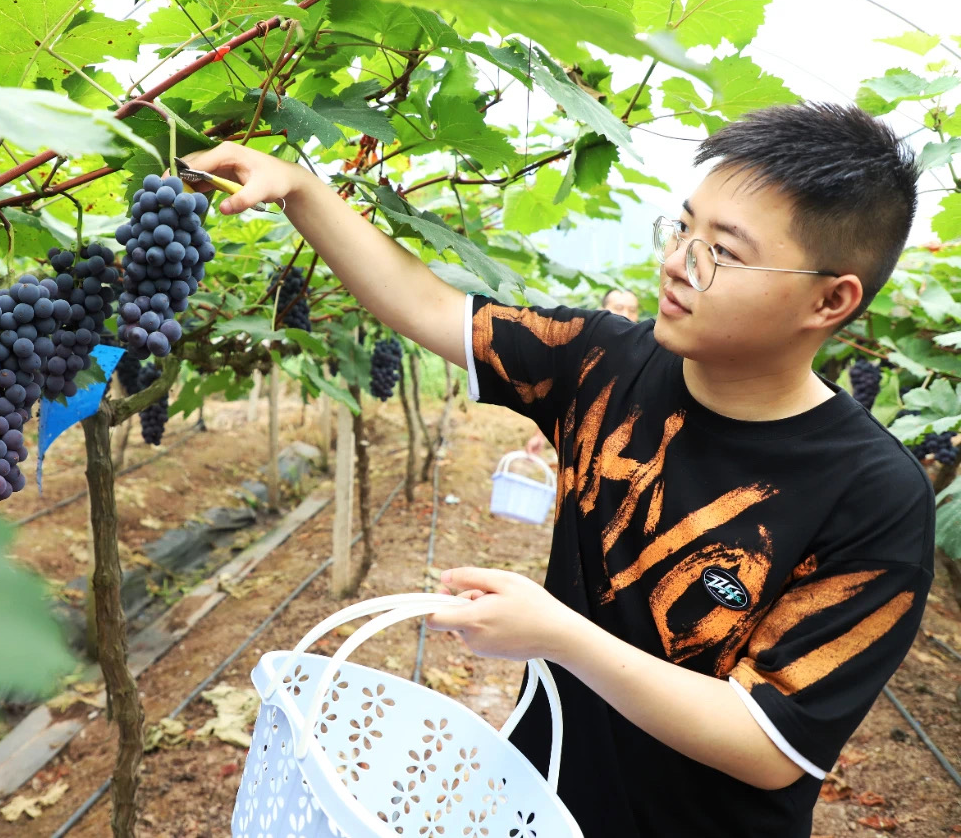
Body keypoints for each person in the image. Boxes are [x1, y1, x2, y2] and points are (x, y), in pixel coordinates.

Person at [184, 101, 932, 838]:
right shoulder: (604, 359)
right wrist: (302, 189)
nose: (676, 262)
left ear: (830, 299)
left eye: (722, 252)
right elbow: (426, 304)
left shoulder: (875, 495)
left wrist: (559, 633)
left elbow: (770, 742)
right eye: (683, 227)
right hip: (536, 802)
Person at [527, 287, 639, 455]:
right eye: (618, 307)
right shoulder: (584, 350)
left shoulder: (642, 355)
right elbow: (559, 393)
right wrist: (539, 436)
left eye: (632, 310)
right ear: (602, 310)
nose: (626, 314)